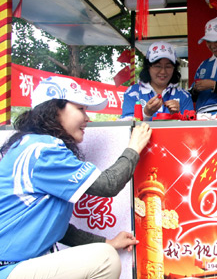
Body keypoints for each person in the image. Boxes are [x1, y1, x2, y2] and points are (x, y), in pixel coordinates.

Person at [0, 76, 152, 279]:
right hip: (10, 269)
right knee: (105, 259)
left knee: (104, 252)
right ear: (55, 110)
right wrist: (134, 147)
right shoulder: (44, 151)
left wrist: (108, 242)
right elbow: (108, 185)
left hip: (15, 267)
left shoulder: (29, 144)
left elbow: (58, 229)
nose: (87, 117)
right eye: (81, 109)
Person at [121, 41, 193, 120]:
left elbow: (192, 127)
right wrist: (146, 113)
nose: (163, 72)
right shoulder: (133, 92)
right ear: (148, 67)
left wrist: (178, 116)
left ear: (174, 69)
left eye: (168, 66)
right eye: (157, 66)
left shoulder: (184, 96)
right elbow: (126, 126)